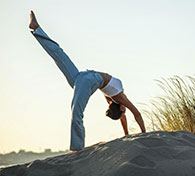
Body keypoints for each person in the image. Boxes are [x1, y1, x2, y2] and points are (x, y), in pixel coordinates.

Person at [29, 10, 146, 151]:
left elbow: (127, 116)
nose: (125, 111)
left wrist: (126, 134)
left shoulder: (114, 98)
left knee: (59, 55)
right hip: (88, 80)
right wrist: (144, 134)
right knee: (77, 113)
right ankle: (77, 149)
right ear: (121, 108)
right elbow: (135, 113)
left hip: (83, 78)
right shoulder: (117, 97)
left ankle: (37, 29)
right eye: (124, 111)